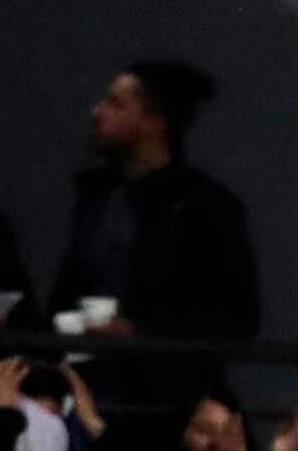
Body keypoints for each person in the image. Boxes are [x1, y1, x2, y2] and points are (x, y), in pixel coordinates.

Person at [54, 62, 262, 349]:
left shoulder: (204, 207)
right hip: (82, 380)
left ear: (155, 123)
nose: (98, 112)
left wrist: (139, 332)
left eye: (116, 105)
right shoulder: (97, 197)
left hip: (160, 387)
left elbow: (237, 317)